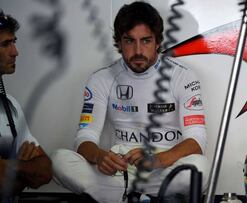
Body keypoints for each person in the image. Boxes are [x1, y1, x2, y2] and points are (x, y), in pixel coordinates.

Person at [51, 1, 209, 202]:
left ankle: (120, 197)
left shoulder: (183, 77)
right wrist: (100, 156)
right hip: (119, 171)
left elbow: (197, 140)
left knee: (200, 169)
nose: (138, 51)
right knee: (58, 160)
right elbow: (84, 137)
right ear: (119, 42)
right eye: (129, 41)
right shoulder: (101, 78)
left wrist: (158, 160)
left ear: (157, 42)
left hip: (163, 169)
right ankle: (143, 197)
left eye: (145, 41)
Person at [0, 10, 52, 202]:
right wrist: (23, 171)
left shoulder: (11, 105)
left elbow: (45, 170)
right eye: (5, 44)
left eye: (14, 42)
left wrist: (10, 166)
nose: (15, 52)